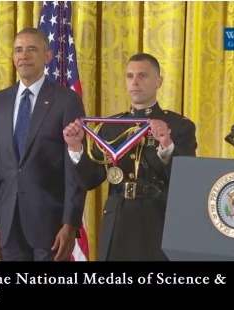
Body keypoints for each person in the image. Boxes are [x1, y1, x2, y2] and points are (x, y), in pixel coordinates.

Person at [63, 53, 197, 261]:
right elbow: (90, 180)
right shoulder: (110, 126)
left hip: (157, 219)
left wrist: (166, 145)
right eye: (130, 76)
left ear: (158, 82)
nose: (134, 81)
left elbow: (186, 180)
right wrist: (75, 148)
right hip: (119, 221)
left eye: (142, 75)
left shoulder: (179, 126)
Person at [0, 28, 87, 261]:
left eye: (31, 49)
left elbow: (74, 168)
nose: (24, 55)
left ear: (47, 56)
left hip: (51, 226)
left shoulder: (66, 100)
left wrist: (70, 222)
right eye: (18, 50)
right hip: (8, 226)